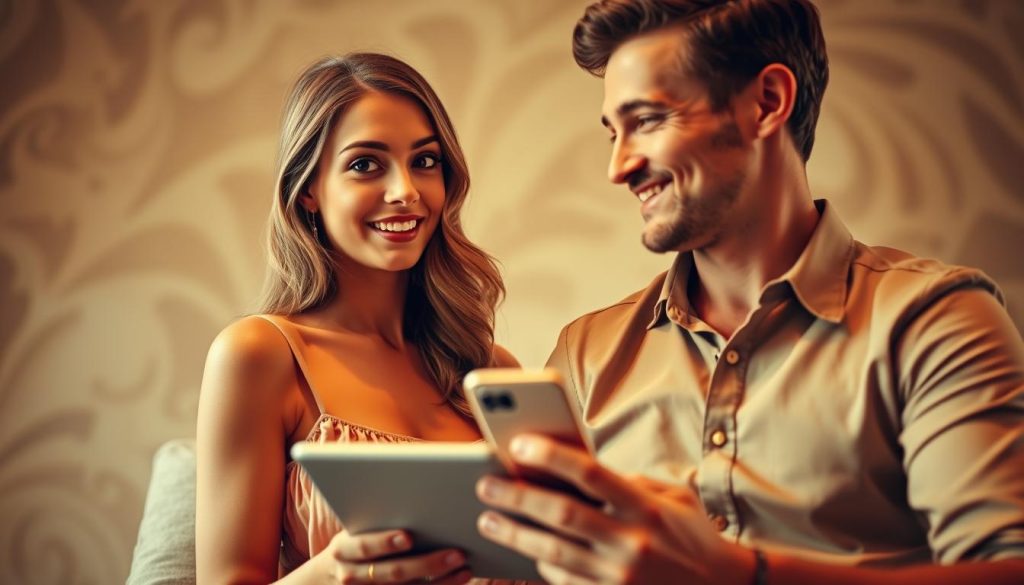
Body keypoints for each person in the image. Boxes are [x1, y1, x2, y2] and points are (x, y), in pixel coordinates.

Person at [473, 1, 1024, 584]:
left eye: (649, 120)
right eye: (615, 131)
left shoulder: (934, 319)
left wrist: (736, 576)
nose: (618, 166)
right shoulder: (586, 353)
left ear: (767, 103)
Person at [196, 52, 518, 584]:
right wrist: (334, 574)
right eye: (365, 164)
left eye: (425, 161)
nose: (406, 192)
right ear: (308, 193)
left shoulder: (492, 372)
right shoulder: (258, 354)